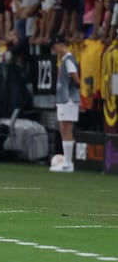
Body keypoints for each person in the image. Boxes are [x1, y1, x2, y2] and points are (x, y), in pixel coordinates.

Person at [49, 34, 80, 173]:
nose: (55, 50)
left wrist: (71, 91)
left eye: (55, 46)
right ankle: (67, 162)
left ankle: (68, 162)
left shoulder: (68, 59)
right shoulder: (65, 59)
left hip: (67, 99)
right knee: (65, 128)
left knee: (65, 128)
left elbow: (76, 79)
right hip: (65, 99)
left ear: (59, 44)